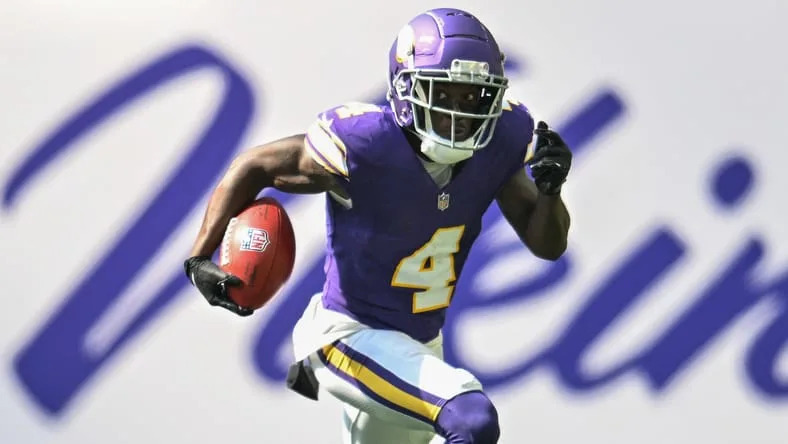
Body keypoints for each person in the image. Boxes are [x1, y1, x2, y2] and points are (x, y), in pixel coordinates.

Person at [184, 7, 572, 444]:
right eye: (446, 95)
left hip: (420, 346)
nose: (461, 114)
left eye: (473, 98)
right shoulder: (365, 146)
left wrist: (551, 191)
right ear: (407, 89)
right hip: (348, 334)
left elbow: (548, 244)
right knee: (471, 418)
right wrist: (199, 255)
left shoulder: (499, 142)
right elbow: (256, 165)